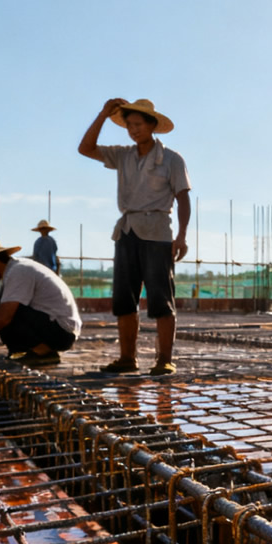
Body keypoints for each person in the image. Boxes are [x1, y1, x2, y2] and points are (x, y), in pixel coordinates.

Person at [77, 97, 191, 376]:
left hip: (157, 233)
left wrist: (182, 236)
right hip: (127, 231)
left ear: (152, 125)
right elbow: (85, 148)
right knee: (124, 299)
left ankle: (164, 359)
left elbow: (183, 199)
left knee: (161, 299)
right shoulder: (123, 155)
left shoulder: (172, 159)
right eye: (129, 125)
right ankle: (128, 358)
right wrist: (103, 114)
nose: (133, 130)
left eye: (138, 124)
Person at [0, 235, 81, 368]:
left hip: (61, 332)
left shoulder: (18, 271)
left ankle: (42, 352)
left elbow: (2, 318)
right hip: (55, 327)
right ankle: (28, 352)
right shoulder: (14, 270)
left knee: (2, 309)